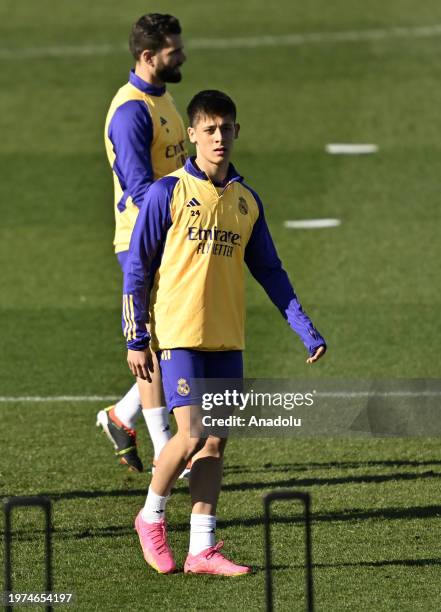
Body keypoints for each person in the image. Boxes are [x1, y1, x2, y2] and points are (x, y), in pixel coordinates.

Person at [123, 90, 326, 575]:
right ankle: (150, 517)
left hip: (227, 338)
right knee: (190, 434)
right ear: (191, 135)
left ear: (237, 132)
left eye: (226, 128)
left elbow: (271, 271)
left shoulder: (246, 202)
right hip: (179, 334)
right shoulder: (167, 192)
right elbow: (137, 267)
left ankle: (202, 548)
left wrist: (305, 329)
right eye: (209, 130)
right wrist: (136, 336)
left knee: (214, 442)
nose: (219, 138)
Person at [97, 13, 188, 473]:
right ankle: (165, 450)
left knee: (175, 333)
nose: (183, 56)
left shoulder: (162, 97)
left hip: (172, 233)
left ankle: (121, 416)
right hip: (143, 239)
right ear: (148, 56)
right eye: (174, 51)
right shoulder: (132, 111)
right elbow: (139, 188)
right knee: (152, 340)